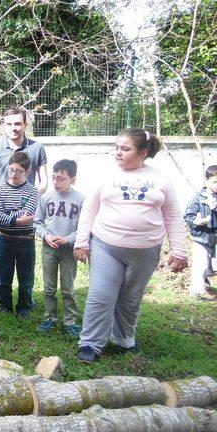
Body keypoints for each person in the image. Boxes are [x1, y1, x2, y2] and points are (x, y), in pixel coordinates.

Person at [74, 128, 188, 364]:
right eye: (116, 147)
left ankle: (124, 340)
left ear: (143, 152)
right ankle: (90, 344)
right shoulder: (104, 175)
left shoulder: (161, 179)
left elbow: (173, 216)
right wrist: (82, 242)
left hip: (146, 251)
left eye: (125, 149)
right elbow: (89, 210)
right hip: (106, 245)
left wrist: (179, 251)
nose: (118, 152)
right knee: (100, 295)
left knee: (131, 297)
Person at [0, 107, 48, 305]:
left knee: (25, 260)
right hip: (1, 212)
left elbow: (43, 181)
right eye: (9, 123)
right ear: (4, 125)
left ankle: (25, 297)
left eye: (18, 123)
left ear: (25, 125)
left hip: (26, 215)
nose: (14, 128)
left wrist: (30, 205)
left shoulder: (37, 148)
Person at [34, 159, 84, 337]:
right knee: (48, 286)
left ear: (73, 179)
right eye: (54, 178)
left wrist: (69, 239)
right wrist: (46, 235)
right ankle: (49, 318)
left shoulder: (80, 200)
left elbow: (85, 227)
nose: (56, 182)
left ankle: (69, 321)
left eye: (61, 178)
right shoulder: (46, 197)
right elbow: (37, 222)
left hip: (69, 250)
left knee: (68, 288)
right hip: (49, 247)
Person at [0, 152, 39, 319]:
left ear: (27, 171)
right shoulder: (0, 189)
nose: (13, 174)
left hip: (26, 240)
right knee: (3, 276)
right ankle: (4, 305)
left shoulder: (33, 191)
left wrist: (8, 216)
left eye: (18, 171)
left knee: (26, 277)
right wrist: (17, 219)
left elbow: (29, 214)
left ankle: (24, 307)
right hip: (4, 239)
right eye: (10, 169)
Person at [184, 165, 217, 297]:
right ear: (206, 180)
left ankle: (205, 282)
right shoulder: (198, 197)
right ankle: (196, 291)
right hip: (201, 236)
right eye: (215, 182)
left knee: (211, 263)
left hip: (214, 236)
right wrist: (197, 221)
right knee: (201, 262)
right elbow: (188, 216)